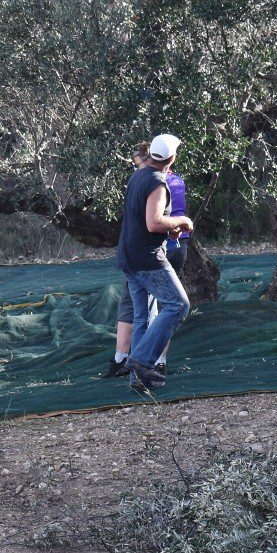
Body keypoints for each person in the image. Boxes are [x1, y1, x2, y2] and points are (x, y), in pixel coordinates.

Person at [114, 133, 192, 392]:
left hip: (129, 256)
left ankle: (138, 381)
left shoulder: (138, 175)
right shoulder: (158, 182)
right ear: (172, 158)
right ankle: (142, 361)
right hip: (147, 259)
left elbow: (144, 221)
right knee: (178, 304)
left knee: (144, 317)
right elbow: (153, 222)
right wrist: (181, 222)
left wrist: (168, 230)